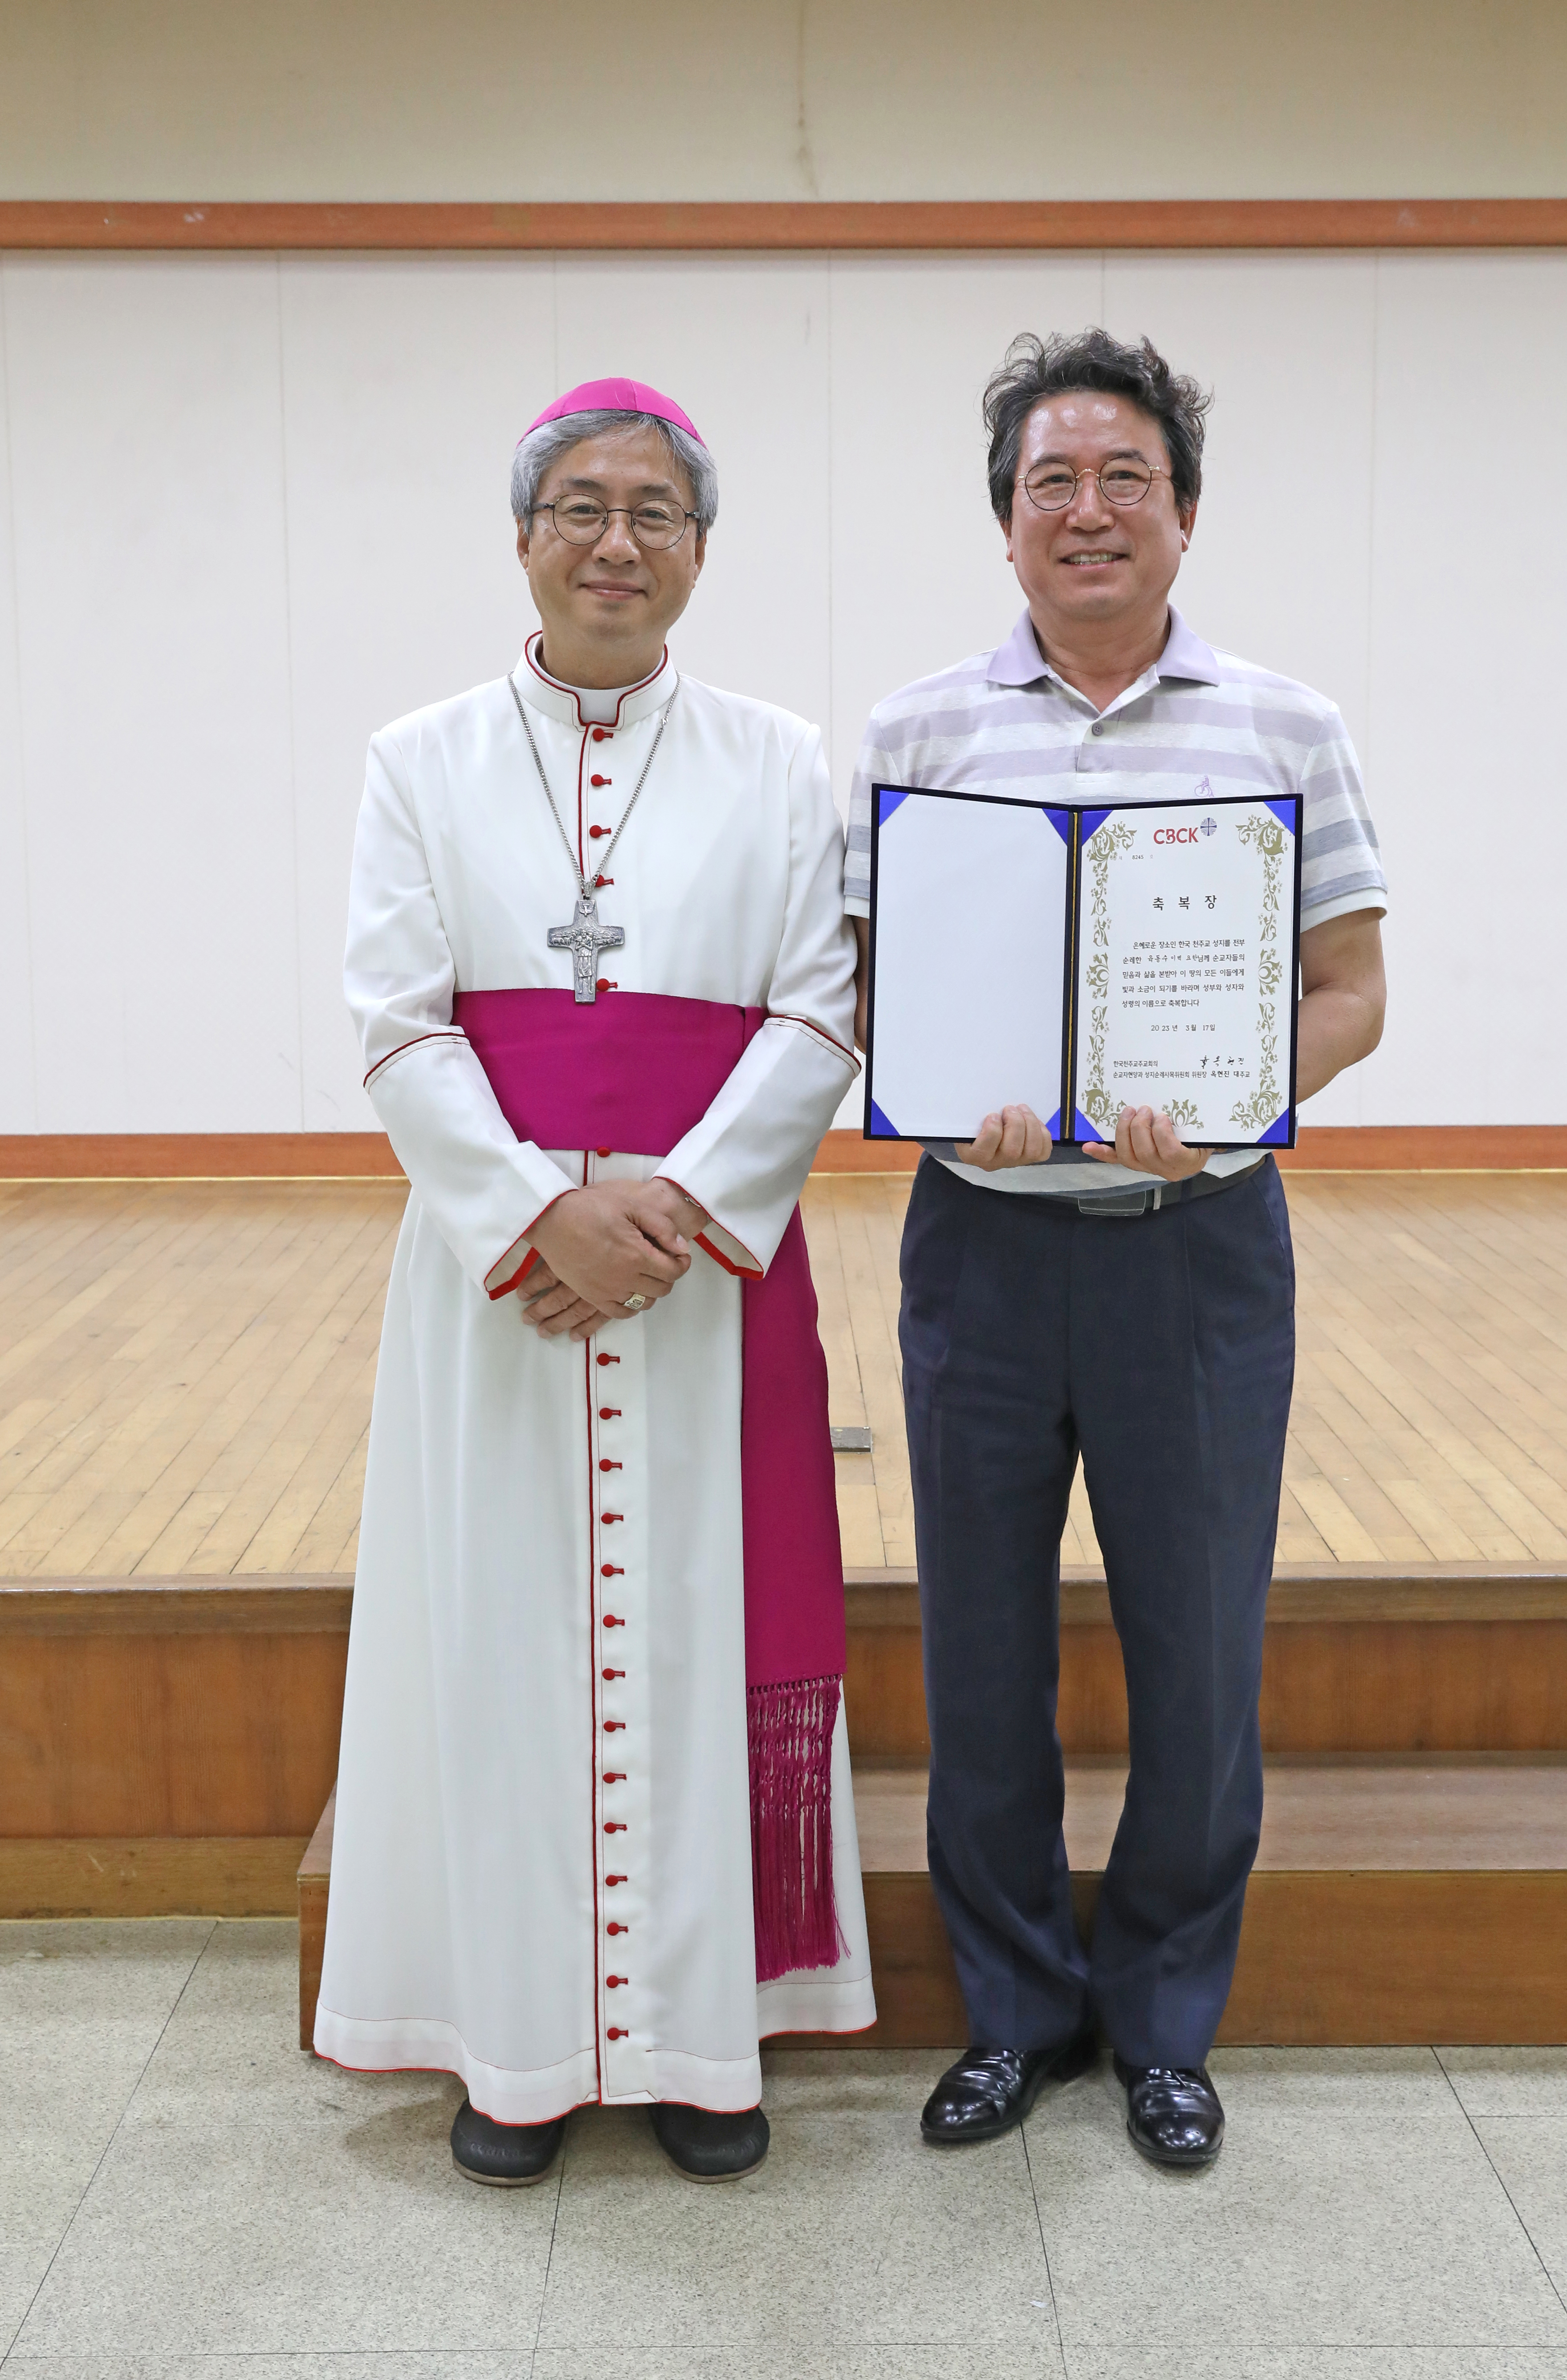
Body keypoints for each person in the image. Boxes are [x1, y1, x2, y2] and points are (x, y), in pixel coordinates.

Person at [317, 376, 874, 2188]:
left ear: (699, 551)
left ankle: (707, 2044)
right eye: (580, 505)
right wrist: (530, 1215)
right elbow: (394, 1023)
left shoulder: (788, 762)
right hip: (498, 1293)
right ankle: (521, 2051)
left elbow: (818, 1012)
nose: (615, 540)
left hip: (702, 1287)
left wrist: (671, 1210)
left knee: (700, 1636)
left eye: (653, 510)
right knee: (504, 1640)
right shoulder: (418, 760)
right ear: (523, 536)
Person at [847, 330, 1388, 2168]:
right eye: (1047, 484)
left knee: (1196, 1645)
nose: (1085, 511)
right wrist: (951, 1095)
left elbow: (1350, 991)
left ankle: (1161, 2021)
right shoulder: (917, 731)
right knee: (977, 1654)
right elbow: (867, 991)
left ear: (1181, 514)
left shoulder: (1282, 725)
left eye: (1121, 481)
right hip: (980, 1249)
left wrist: (1230, 1088)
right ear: (1004, 525)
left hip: (1195, 1246)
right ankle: (1012, 2012)